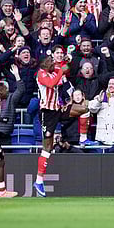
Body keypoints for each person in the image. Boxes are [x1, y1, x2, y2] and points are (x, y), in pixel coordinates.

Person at [33, 56, 66, 197]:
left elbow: (65, 69)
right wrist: (61, 71)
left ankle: (82, 137)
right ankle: (39, 180)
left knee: (83, 109)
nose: (54, 63)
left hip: (58, 109)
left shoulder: (55, 70)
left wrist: (67, 61)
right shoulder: (41, 73)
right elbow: (51, 84)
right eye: (51, 61)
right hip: (47, 112)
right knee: (47, 147)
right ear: (44, 63)